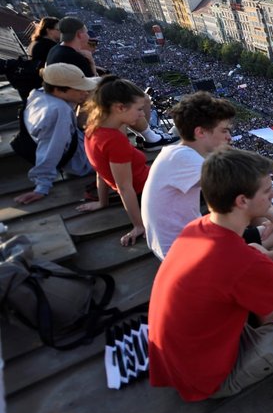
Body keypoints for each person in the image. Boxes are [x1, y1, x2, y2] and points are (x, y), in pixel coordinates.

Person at [148, 148, 273, 401]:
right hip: (210, 378)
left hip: (187, 357)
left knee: (255, 247)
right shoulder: (238, 260)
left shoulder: (197, 228)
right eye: (267, 191)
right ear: (242, 201)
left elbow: (254, 262)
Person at [141, 92, 273, 265]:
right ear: (201, 132)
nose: (229, 137)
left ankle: (272, 276)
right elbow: (242, 189)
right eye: (224, 130)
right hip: (188, 253)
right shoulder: (187, 159)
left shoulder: (175, 153)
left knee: (258, 218)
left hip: (182, 242)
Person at [48, 16, 175, 151]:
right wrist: (90, 62)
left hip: (68, 106)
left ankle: (148, 136)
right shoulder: (75, 56)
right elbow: (94, 89)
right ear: (79, 34)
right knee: (126, 104)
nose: (88, 36)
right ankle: (142, 142)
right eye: (86, 32)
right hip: (76, 111)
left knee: (136, 99)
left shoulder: (55, 50)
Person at [77, 76, 151, 246]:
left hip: (143, 185)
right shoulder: (114, 140)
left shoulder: (94, 128)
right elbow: (125, 188)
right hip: (147, 191)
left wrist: (103, 202)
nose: (142, 114)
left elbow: (101, 171)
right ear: (120, 108)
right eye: (139, 109)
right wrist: (139, 226)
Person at [13, 63, 96, 205]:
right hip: (81, 162)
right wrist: (42, 187)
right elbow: (51, 149)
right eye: (79, 88)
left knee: (110, 86)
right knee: (121, 108)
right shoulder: (58, 112)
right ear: (59, 90)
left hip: (76, 141)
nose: (85, 92)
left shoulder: (39, 93)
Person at [12, 17, 60, 102]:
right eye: (58, 29)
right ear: (49, 30)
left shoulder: (35, 43)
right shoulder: (50, 46)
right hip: (47, 86)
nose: (61, 32)